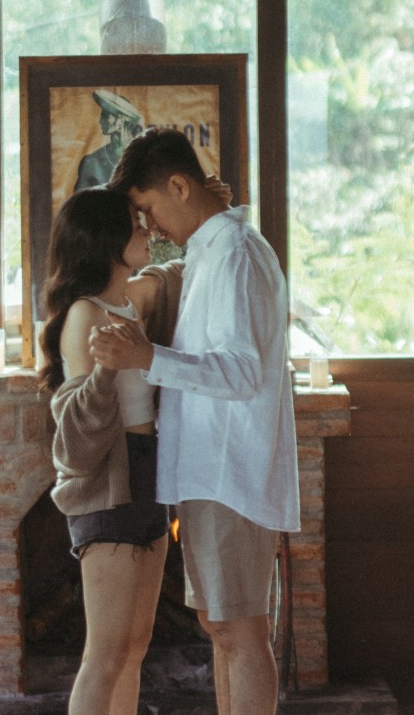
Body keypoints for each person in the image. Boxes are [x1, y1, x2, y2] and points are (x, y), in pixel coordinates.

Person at [90, 128, 299, 715]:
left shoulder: (235, 253)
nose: (151, 226)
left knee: (240, 631)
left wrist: (145, 357)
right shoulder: (212, 250)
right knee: (221, 627)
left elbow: (242, 372)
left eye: (149, 208)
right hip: (209, 471)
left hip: (232, 471)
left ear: (180, 187)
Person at [37, 185, 182, 715]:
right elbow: (80, 429)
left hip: (149, 471)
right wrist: (106, 368)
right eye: (134, 223)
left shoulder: (129, 302)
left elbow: (178, 272)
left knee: (135, 647)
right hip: (108, 482)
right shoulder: (84, 313)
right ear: (105, 239)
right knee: (105, 653)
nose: (146, 230)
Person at [74, 90, 144, 192]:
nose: (100, 121)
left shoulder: (143, 158)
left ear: (120, 120)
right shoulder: (91, 162)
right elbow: (79, 199)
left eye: (105, 115)